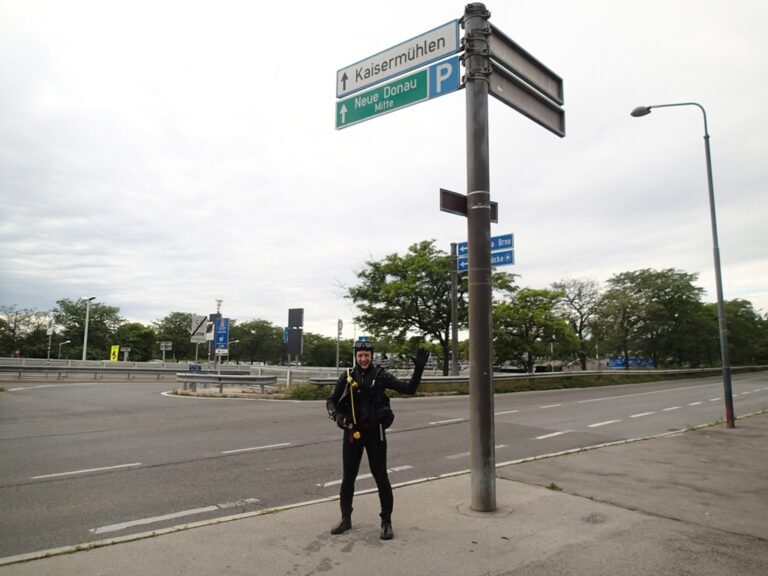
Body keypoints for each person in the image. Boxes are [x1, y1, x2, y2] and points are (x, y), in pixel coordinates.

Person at [326, 340, 429, 540]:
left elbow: (409, 389)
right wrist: (337, 416)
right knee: (348, 478)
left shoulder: (381, 376)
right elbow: (331, 401)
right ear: (356, 357)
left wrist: (418, 369)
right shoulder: (347, 376)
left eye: (367, 355)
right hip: (352, 433)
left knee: (381, 477)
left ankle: (386, 522)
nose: (363, 359)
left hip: (375, 433)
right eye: (360, 355)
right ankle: (345, 518)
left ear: (372, 356)